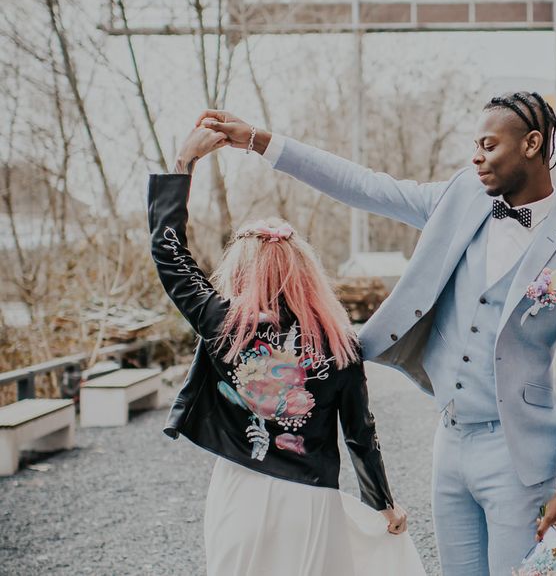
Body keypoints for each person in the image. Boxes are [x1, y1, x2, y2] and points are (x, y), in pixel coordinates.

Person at [199, 90, 556, 575]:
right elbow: (365, 186)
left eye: (488, 145)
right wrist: (258, 141)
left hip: (518, 458)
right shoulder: (461, 198)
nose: (476, 157)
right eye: (474, 146)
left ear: (532, 144)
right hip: (451, 442)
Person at [147, 126, 424, 576]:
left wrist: (183, 165)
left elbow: (168, 252)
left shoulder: (223, 324)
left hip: (240, 492)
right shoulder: (339, 344)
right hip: (311, 500)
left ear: (240, 272)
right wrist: (383, 504)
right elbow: (359, 433)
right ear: (307, 274)